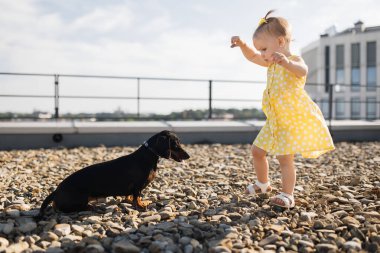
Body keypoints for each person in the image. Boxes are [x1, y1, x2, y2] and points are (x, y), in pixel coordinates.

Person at [231, 10, 335, 208]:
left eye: (264, 49)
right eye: (260, 50)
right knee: (257, 151)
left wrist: (286, 63)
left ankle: (288, 194)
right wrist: (243, 45)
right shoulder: (270, 63)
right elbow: (252, 57)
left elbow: (303, 71)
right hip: (274, 121)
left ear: (280, 42)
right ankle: (263, 184)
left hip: (289, 121)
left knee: (284, 159)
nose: (261, 54)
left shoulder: (295, 61)